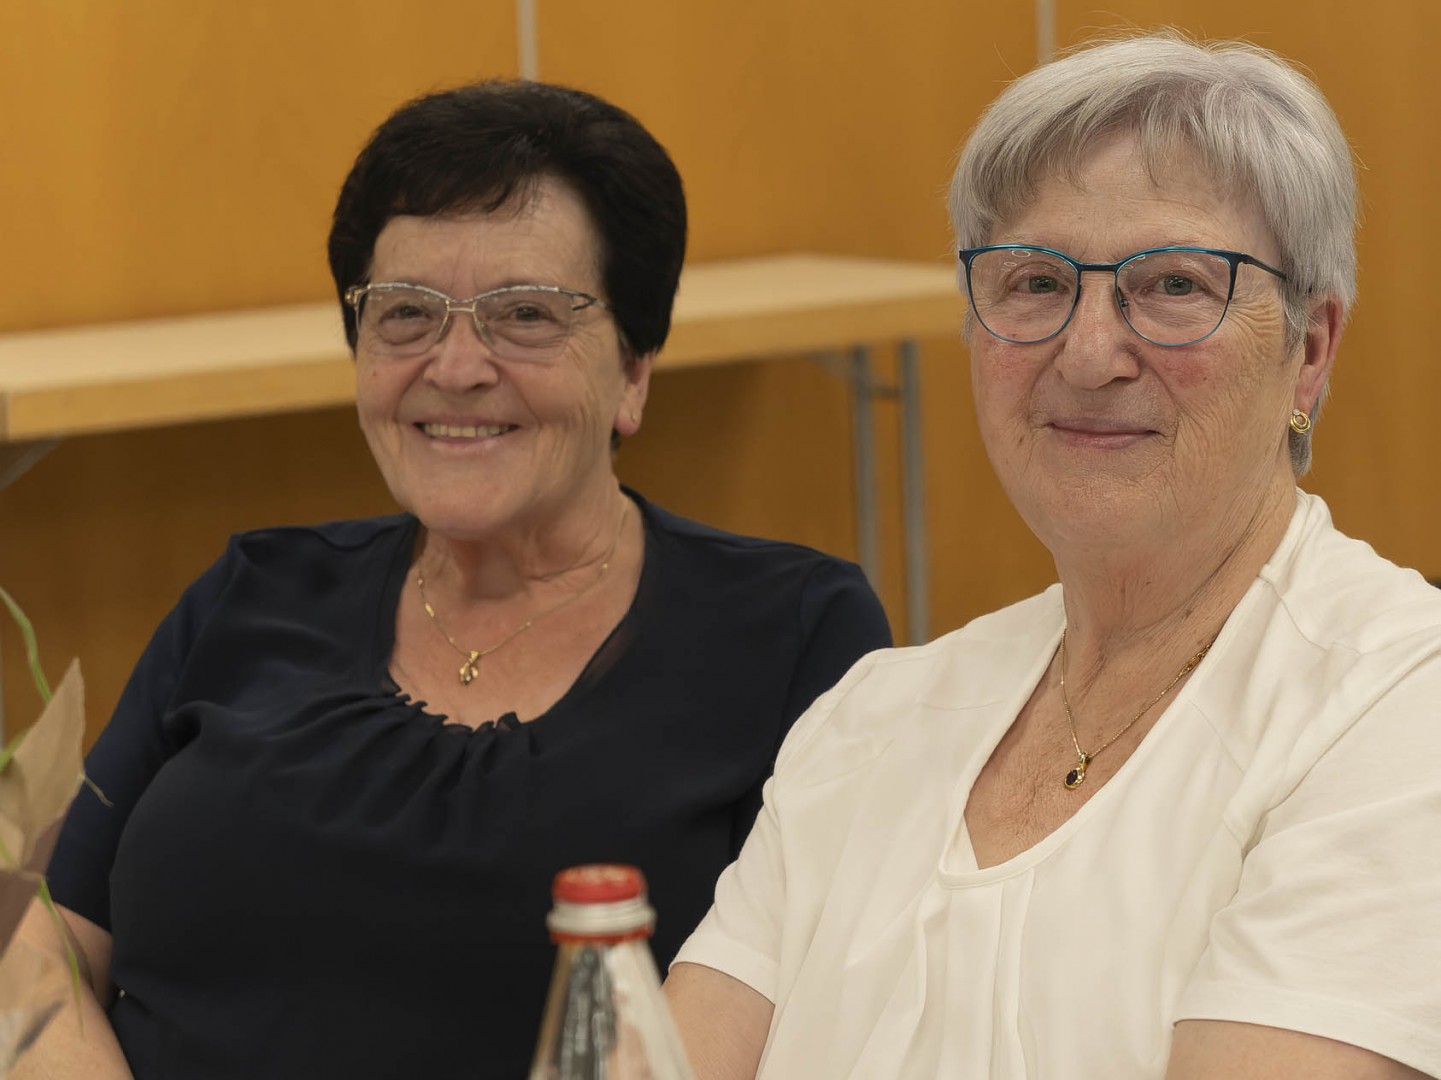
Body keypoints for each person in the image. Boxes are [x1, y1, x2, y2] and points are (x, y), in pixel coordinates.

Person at [17, 81, 891, 1078]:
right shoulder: (250, 592)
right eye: (406, 314)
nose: (457, 365)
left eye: (525, 315)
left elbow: (840, 1016)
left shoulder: (790, 634)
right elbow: (42, 937)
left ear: (633, 371)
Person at [666, 32, 1441, 1080]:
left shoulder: (1397, 710)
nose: (1086, 353)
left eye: (1172, 285)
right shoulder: (871, 717)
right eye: (1035, 281)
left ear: (1308, 351)